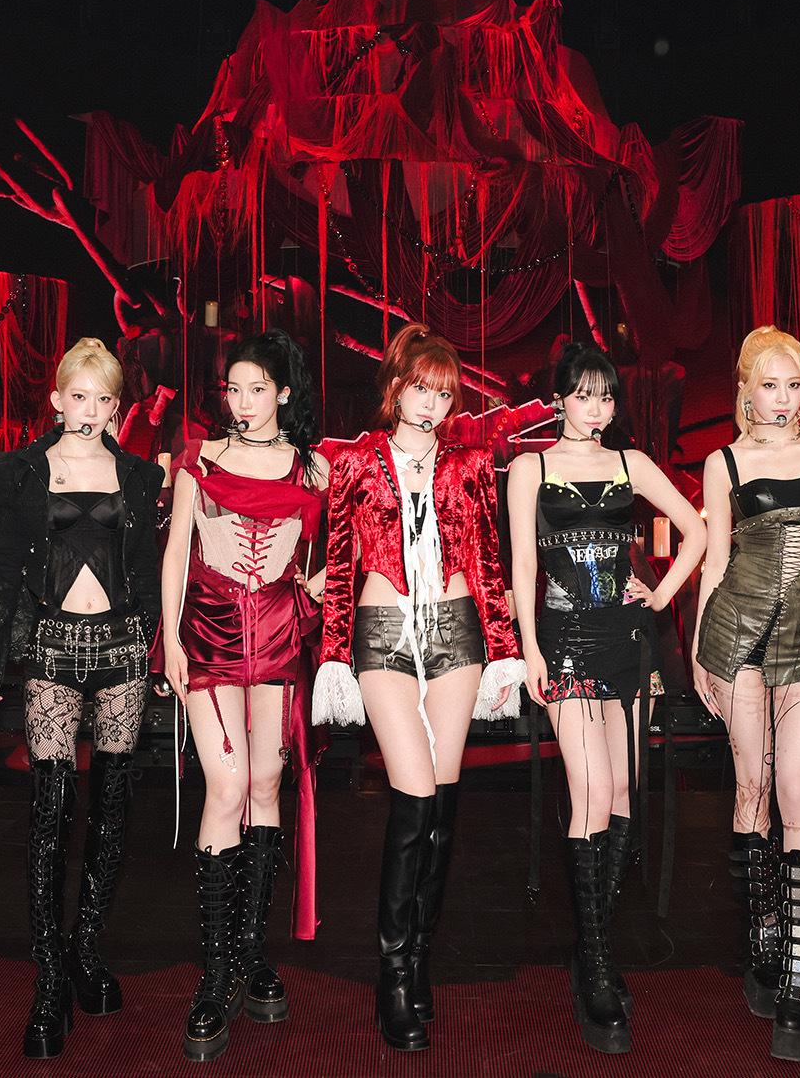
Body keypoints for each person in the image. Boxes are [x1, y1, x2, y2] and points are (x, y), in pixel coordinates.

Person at [312, 322, 522, 1052]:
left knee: (443, 799)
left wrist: (504, 651)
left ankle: (419, 957)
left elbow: (488, 561)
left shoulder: (471, 463)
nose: (432, 404)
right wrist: (333, 652)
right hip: (383, 629)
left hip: (455, 630)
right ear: (396, 386)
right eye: (421, 388)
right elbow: (340, 561)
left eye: (444, 393)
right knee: (415, 792)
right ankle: (393, 976)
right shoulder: (355, 461)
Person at [505, 342, 705, 1054]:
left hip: (626, 643)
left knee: (622, 792)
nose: (596, 409)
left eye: (606, 396)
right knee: (589, 791)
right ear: (560, 398)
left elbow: (699, 529)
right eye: (584, 395)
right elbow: (522, 564)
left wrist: (662, 593)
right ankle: (594, 965)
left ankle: (594, 944)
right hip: (563, 643)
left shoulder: (633, 464)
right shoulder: (529, 468)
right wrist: (529, 648)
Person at [0, 337, 163, 1061]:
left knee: (113, 808)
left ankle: (85, 948)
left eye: (103, 398)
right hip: (51, 646)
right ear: (56, 399)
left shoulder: (139, 476)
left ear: (117, 405)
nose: (90, 409)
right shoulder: (21, 471)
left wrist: (157, 651)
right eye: (78, 396)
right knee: (50, 811)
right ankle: (49, 978)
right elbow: (3, 569)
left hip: (121, 649)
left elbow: (146, 569)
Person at [691, 326, 800, 1063]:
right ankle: (764, 937)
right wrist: (698, 653)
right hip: (735, 636)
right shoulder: (724, 462)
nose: (783, 398)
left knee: (797, 791)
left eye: (794, 384)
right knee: (752, 789)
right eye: (769, 385)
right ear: (745, 390)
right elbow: (715, 563)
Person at [159, 330, 329, 1062]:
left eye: (258, 388)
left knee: (264, 784)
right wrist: (169, 639)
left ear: (284, 392)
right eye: (234, 388)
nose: (243, 401)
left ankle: (252, 955)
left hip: (282, 632)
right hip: (211, 629)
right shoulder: (199, 458)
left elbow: (344, 547)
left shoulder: (313, 467)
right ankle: (215, 971)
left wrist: (319, 586)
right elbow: (176, 551)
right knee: (226, 785)